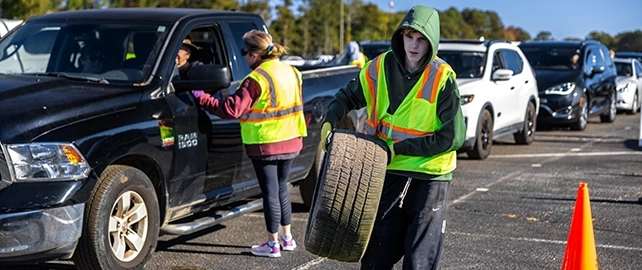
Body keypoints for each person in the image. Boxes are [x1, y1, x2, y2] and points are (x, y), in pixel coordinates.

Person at [320, 5, 465, 269]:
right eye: (409, 37)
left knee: (419, 261)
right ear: (400, 36)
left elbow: (453, 137)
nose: (414, 45)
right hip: (388, 172)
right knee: (375, 256)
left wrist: (402, 148)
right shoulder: (379, 66)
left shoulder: (442, 78)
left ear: (431, 42)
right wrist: (330, 119)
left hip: (430, 178)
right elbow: (348, 96)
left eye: (421, 39)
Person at [191, 30, 306, 258]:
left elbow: (231, 109)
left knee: (270, 192)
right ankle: (287, 238)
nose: (244, 57)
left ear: (254, 54)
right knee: (282, 188)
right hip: (292, 139)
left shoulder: (256, 79)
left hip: (267, 143)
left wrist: (201, 97)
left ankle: (272, 245)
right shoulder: (292, 71)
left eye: (245, 52)